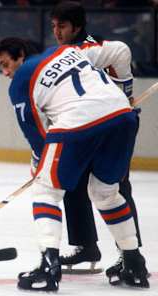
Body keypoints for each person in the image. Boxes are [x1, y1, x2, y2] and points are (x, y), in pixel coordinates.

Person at [0, 37, 149, 291]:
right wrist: (125, 93)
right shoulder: (69, 50)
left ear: (21, 55)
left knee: (46, 190)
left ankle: (48, 266)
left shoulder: (22, 80)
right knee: (106, 193)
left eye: (6, 64)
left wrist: (38, 167)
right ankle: (134, 263)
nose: (5, 73)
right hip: (122, 116)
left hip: (79, 119)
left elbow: (34, 133)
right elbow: (121, 50)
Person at [50, 1, 143, 278]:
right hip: (84, 126)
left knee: (116, 187)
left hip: (113, 129)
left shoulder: (93, 48)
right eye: (54, 26)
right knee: (74, 182)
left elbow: (121, 57)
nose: (57, 32)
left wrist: (122, 92)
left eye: (62, 26)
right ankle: (86, 246)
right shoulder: (67, 52)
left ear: (77, 27)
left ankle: (129, 253)